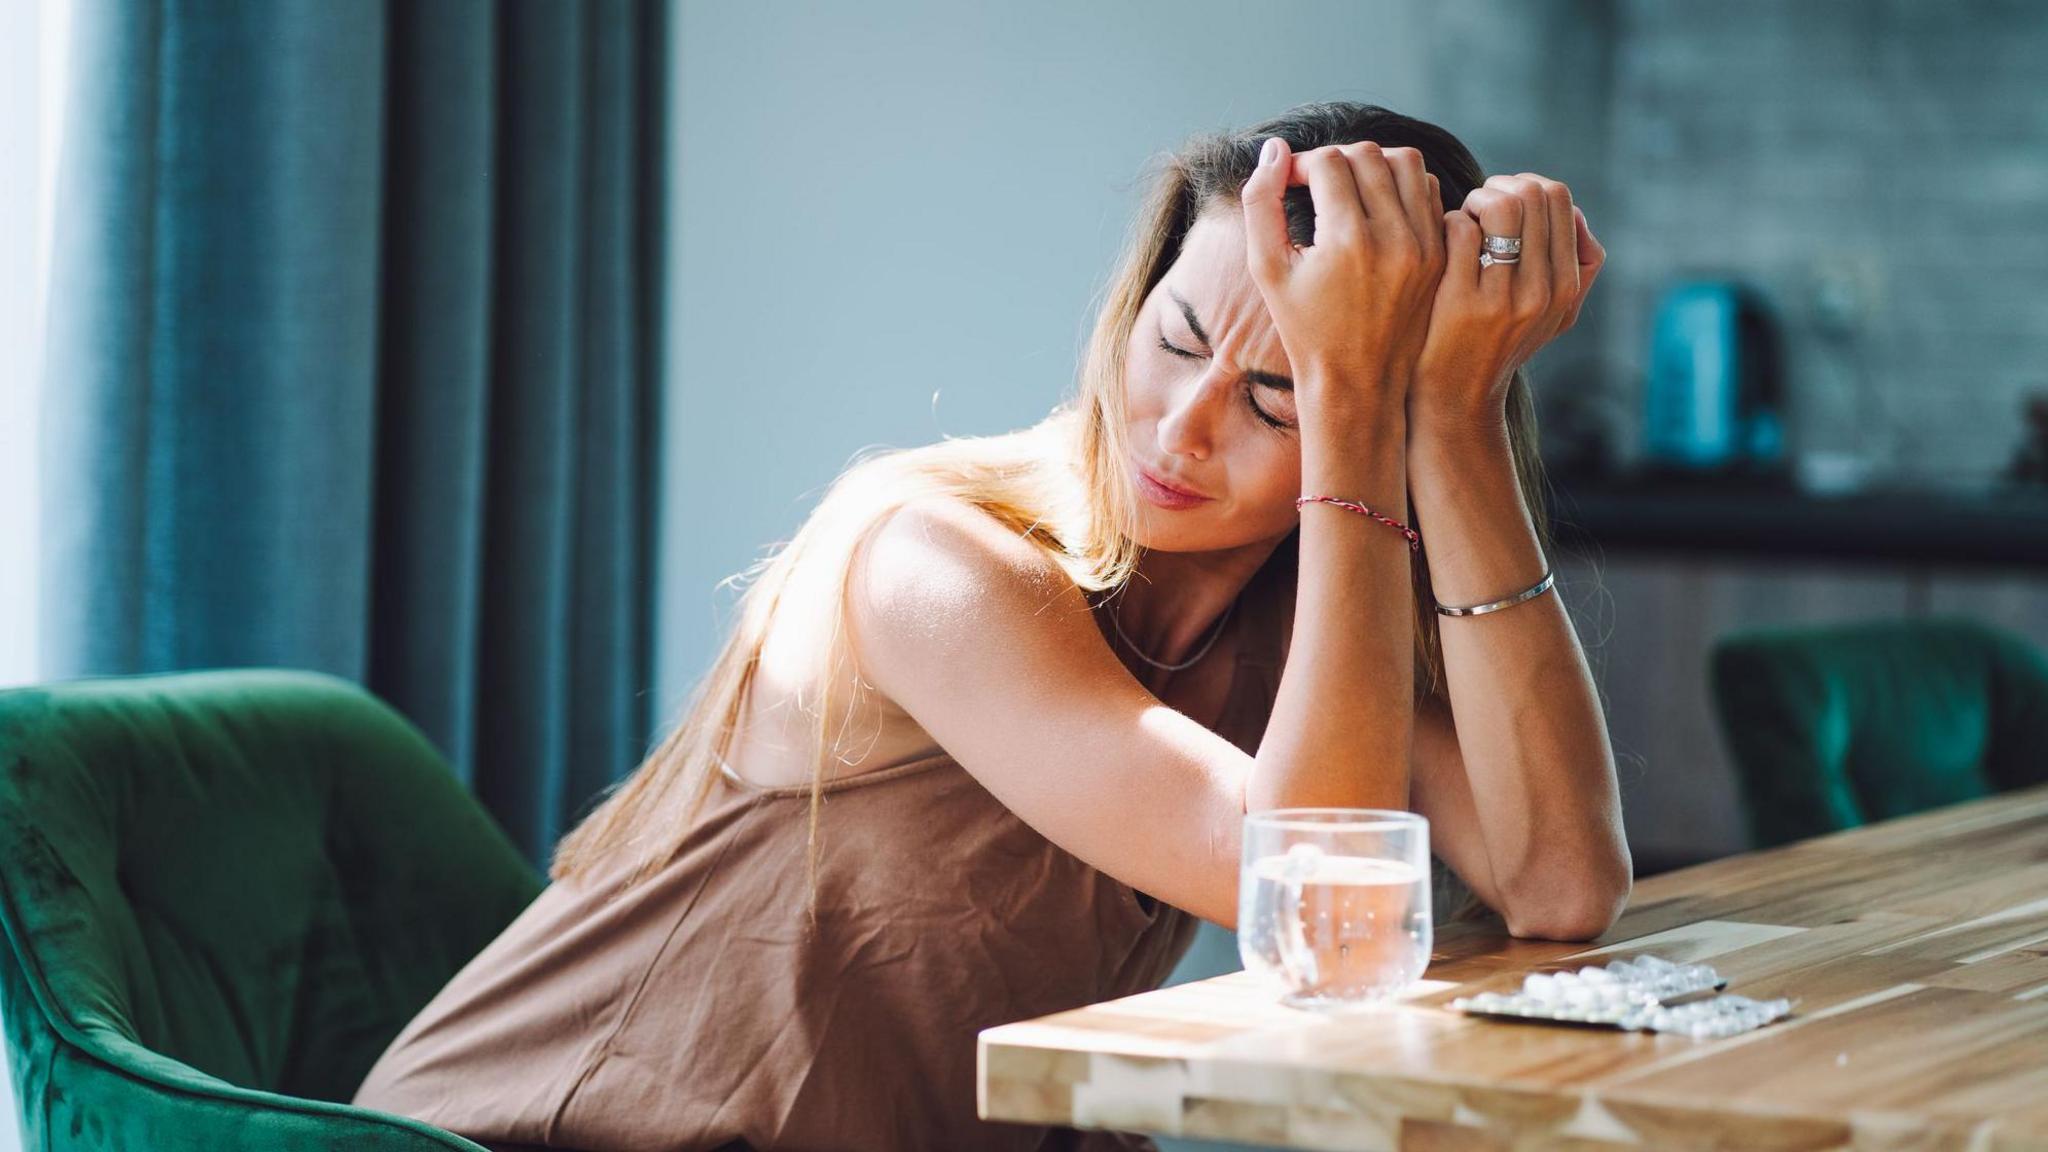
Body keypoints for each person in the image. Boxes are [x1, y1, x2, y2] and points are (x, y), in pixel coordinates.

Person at [351, 100, 1629, 1152]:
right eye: (1174, 337)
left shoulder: (1291, 635)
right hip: (537, 1140)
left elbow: (1558, 883)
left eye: (1272, 396)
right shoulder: (926, 554)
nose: (1183, 425)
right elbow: (1310, 909)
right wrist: (1345, 398)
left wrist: (1454, 416)